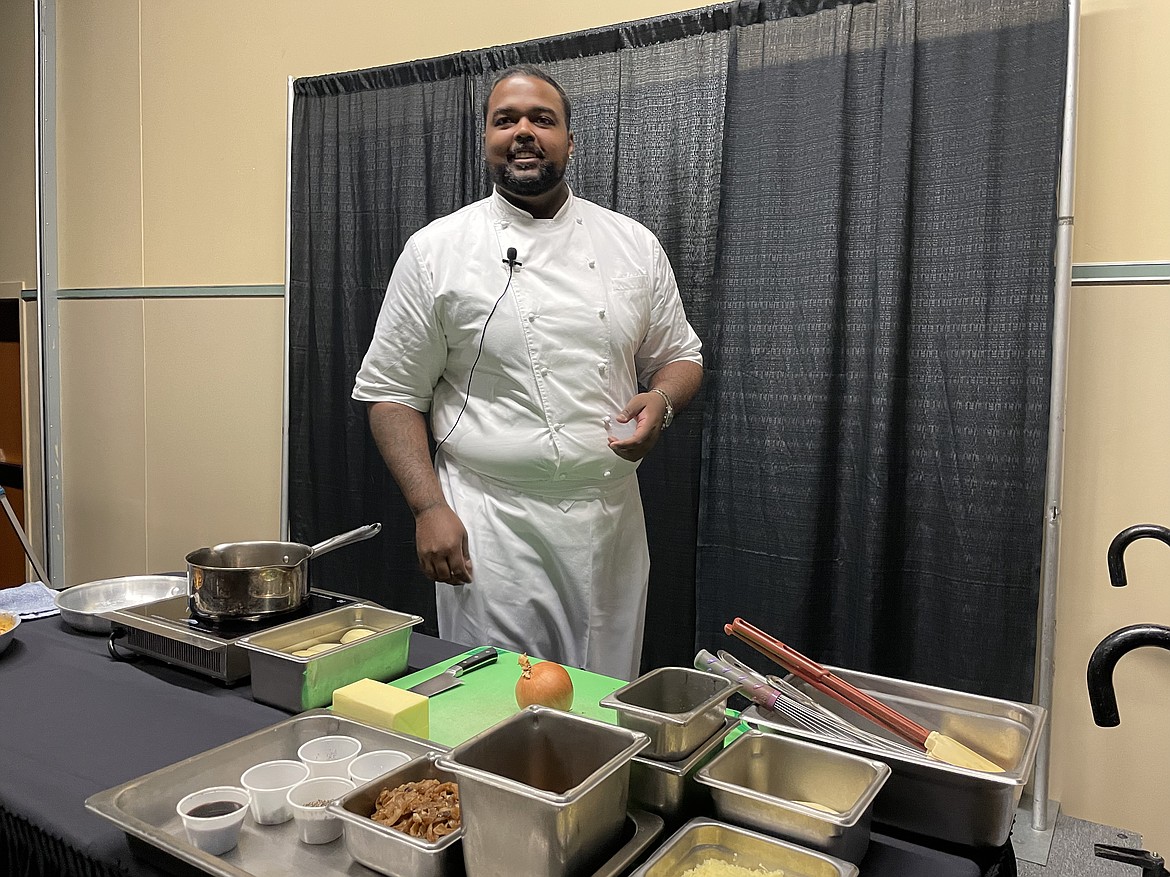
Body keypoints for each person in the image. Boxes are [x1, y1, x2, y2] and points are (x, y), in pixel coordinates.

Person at [353, 65, 703, 680]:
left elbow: (681, 358)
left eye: (542, 119)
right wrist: (427, 507)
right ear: (485, 138)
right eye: (505, 119)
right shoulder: (437, 250)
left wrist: (662, 402)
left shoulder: (632, 244)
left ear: (570, 140)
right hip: (493, 526)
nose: (523, 131)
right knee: (496, 709)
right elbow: (390, 394)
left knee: (604, 701)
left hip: (607, 523)